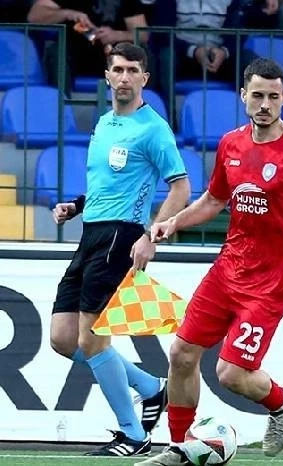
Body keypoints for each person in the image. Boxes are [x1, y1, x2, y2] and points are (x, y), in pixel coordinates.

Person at [136, 58, 283, 466]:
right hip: (226, 272)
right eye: (257, 95)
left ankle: (282, 402)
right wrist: (173, 222)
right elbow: (214, 200)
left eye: (273, 97)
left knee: (230, 374)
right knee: (181, 353)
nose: (264, 104)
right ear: (243, 95)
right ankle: (180, 447)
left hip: (269, 284)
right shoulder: (231, 143)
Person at [50, 43, 191, 456]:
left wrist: (151, 235)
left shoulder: (153, 128)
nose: (125, 77)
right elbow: (106, 183)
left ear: (144, 78)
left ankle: (133, 435)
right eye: (118, 70)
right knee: (63, 338)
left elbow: (181, 187)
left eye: (133, 70)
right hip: (91, 233)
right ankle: (151, 388)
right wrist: (77, 205)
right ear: (107, 77)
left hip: (121, 237)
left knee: (92, 339)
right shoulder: (105, 123)